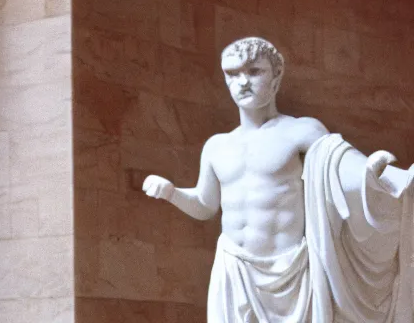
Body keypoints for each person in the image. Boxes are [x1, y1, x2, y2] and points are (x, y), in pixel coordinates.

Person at [143, 37, 414, 322]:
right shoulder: (216, 146)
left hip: (290, 274)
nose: (242, 81)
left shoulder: (300, 131)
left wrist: (374, 174)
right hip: (234, 268)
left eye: (254, 71)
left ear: (276, 76)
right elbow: (206, 205)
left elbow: (337, 163)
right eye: (232, 74)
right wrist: (173, 193)